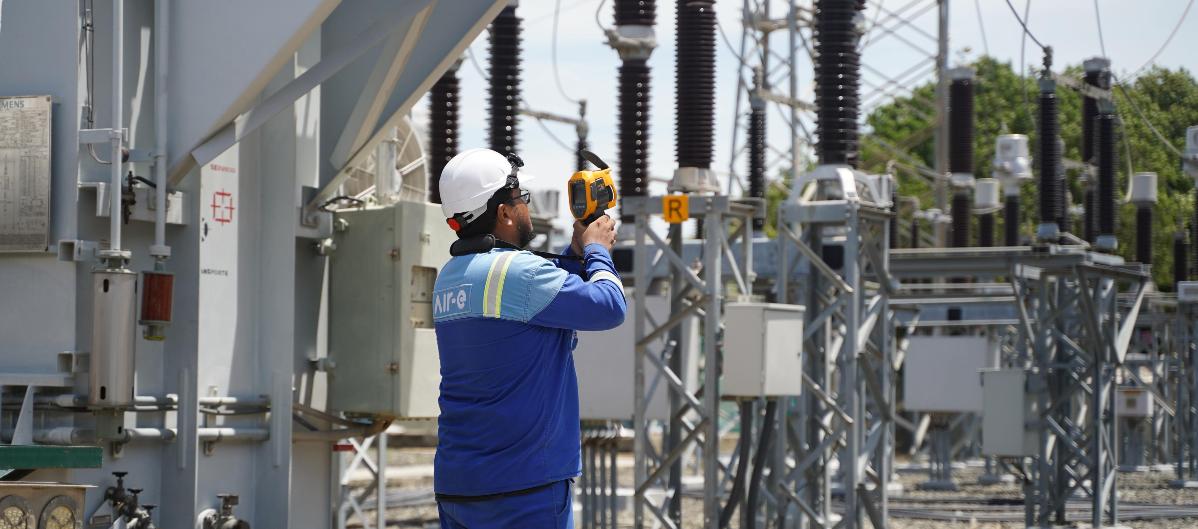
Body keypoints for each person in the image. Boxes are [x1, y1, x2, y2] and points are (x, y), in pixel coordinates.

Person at [431, 148, 627, 528]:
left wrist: (576, 253)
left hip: (460, 484)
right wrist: (598, 251)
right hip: (523, 491)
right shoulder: (518, 273)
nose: (525, 207)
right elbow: (609, 306)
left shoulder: (451, 276)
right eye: (521, 198)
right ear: (504, 212)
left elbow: (531, 300)